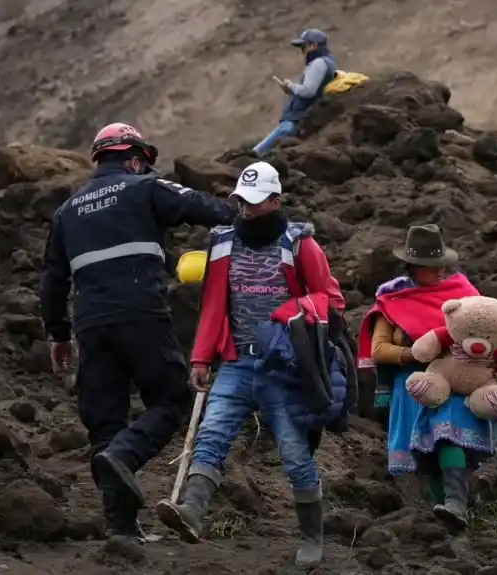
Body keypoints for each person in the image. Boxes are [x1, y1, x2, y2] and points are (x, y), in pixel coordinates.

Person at [39, 122, 235, 552]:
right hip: (141, 314)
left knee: (104, 421)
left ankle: (121, 531)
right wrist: (243, 217)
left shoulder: (67, 211)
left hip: (90, 325)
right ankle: (127, 455)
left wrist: (58, 335)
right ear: (133, 158)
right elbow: (198, 205)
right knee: (172, 399)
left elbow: (52, 281)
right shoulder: (143, 187)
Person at [155, 161, 344, 568]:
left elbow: (330, 298)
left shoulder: (299, 245)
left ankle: (313, 536)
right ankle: (191, 511)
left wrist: (288, 314)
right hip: (236, 362)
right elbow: (213, 306)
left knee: (294, 454)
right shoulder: (222, 242)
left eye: (256, 203)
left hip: (283, 366)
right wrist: (202, 357)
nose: (246, 210)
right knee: (212, 434)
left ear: (276, 201)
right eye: (241, 201)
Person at [356, 224, 497, 529]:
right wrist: (413, 353)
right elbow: (379, 350)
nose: (440, 270)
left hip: (456, 380)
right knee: (423, 453)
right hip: (413, 384)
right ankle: (445, 511)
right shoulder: (394, 299)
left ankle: (456, 502)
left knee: (447, 435)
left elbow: (484, 329)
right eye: (431, 266)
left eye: (442, 264)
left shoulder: (462, 293)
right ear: (413, 267)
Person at [253, 28, 338, 156]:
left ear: (313, 45)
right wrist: (290, 91)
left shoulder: (318, 63)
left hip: (294, 121)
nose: (302, 51)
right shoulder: (328, 62)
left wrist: (291, 86)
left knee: (255, 154)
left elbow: (309, 91)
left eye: (304, 46)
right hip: (298, 120)